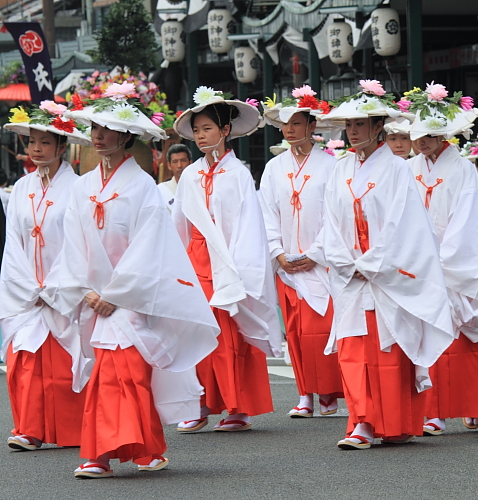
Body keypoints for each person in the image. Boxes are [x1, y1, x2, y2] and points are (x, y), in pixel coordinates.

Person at [45, 84, 220, 478]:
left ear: (126, 136)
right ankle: (123, 452)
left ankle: (110, 454)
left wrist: (116, 294)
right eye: (95, 128)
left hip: (131, 300)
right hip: (95, 299)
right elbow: (70, 243)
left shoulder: (142, 186)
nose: (98, 135)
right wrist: (86, 291)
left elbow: (151, 247)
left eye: (107, 129)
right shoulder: (83, 187)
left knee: (128, 374)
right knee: (107, 375)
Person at [318, 80, 454, 449]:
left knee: (386, 351)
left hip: (386, 277)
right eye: (349, 126)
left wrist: (373, 263)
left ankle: (394, 422)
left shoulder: (396, 169)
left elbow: (403, 224)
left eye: (360, 125)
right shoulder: (340, 170)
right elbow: (330, 223)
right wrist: (347, 263)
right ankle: (361, 421)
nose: (353, 131)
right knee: (352, 349)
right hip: (351, 276)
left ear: (379, 127)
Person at [171, 87, 282, 433]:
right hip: (195, 262)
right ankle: (199, 402)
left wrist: (240, 272)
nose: (202, 136)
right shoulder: (189, 175)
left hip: (228, 262)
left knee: (230, 336)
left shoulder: (238, 174)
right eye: (197, 130)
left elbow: (248, 227)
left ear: (225, 130)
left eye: (208, 128)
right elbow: (179, 225)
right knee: (195, 333)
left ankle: (237, 407)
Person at [405, 85, 478, 435]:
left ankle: (473, 403)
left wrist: (444, 260)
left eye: (430, 136)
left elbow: (469, 222)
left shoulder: (464, 170)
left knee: (466, 337)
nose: (422, 142)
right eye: (418, 136)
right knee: (424, 334)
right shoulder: (407, 168)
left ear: (444, 136)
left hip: (456, 264)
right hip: (418, 263)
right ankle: (432, 410)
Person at [0, 102, 92, 452]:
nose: (36, 149)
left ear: (61, 147)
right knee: (25, 358)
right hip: (27, 288)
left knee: (61, 362)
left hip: (62, 287)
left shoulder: (78, 187)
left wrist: (53, 286)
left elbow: (79, 242)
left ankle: (70, 429)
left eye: (45, 143)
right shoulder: (21, 188)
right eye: (32, 142)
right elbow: (14, 243)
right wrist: (27, 286)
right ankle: (29, 428)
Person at [259, 86, 344, 417]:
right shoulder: (273, 167)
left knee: (319, 329)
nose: (290, 130)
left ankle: (327, 393)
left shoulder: (331, 165)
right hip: (286, 264)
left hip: (319, 262)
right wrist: (278, 252)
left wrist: (317, 252)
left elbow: (337, 216)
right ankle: (305, 393)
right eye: (286, 125)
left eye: (297, 123)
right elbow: (265, 213)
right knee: (293, 330)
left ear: (312, 126)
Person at [158, 144, 191, 210]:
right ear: (169, 165)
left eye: (183, 160)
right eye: (175, 162)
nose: (179, 165)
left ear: (190, 163)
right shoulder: (161, 190)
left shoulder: (199, 186)